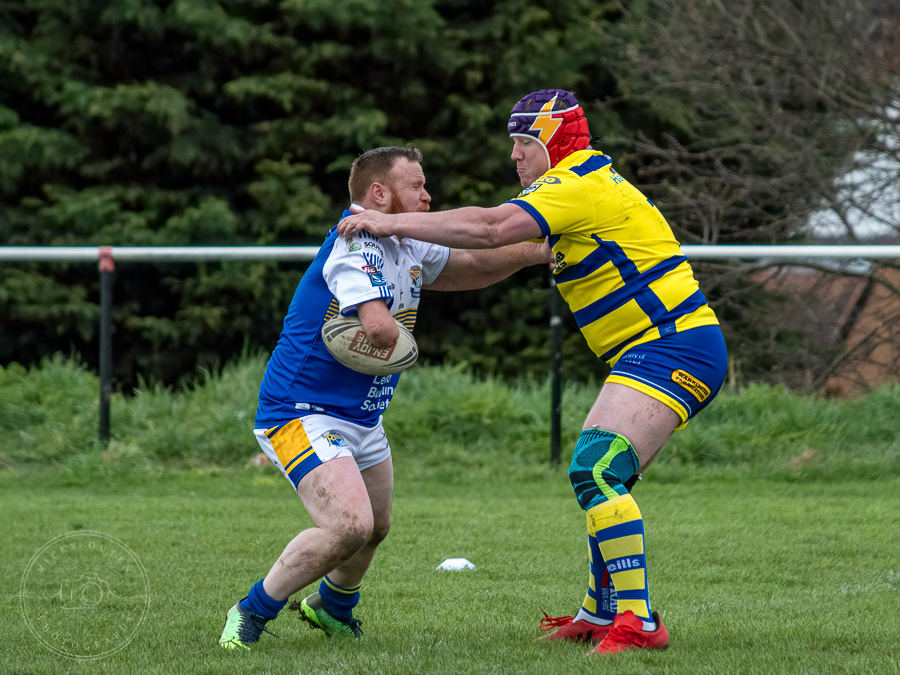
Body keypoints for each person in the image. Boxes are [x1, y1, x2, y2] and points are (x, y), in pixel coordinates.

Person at [338, 90, 728, 655]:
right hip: (658, 349)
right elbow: (492, 251)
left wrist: (389, 223)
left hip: (675, 345)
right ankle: (601, 612)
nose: (515, 158)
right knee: (603, 474)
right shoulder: (576, 191)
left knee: (594, 470)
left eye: (524, 144)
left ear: (554, 140)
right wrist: (409, 248)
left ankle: (639, 622)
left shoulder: (576, 184)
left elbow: (493, 228)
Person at [218, 144, 553, 650]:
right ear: (379, 193)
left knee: (376, 528)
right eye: (416, 186)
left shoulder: (401, 239)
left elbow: (470, 265)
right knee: (349, 525)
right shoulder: (355, 242)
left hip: (362, 415)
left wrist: (540, 251)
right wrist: (400, 343)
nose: (428, 195)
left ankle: (333, 609)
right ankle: (251, 610)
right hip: (301, 412)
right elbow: (377, 329)